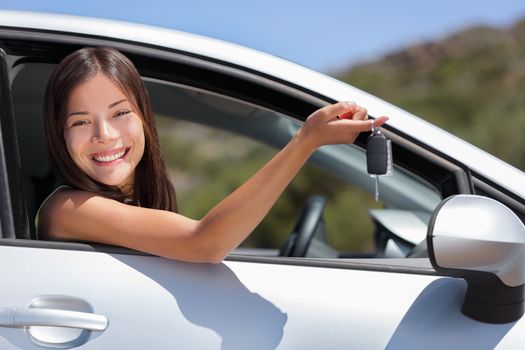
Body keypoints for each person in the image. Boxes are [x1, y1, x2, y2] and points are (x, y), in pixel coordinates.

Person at [37, 47, 388, 263]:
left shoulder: (131, 203)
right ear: (59, 134)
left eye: (120, 113)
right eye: (81, 121)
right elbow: (203, 243)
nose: (105, 135)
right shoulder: (67, 210)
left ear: (144, 116)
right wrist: (304, 142)